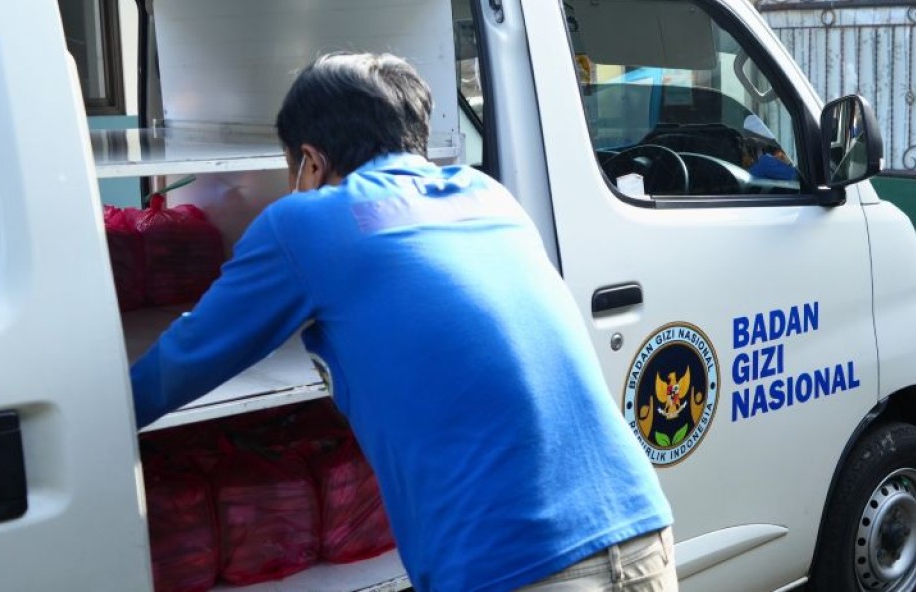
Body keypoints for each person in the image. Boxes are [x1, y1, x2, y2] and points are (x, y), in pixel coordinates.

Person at [129, 52, 677, 592]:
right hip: (640, 529)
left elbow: (183, 361)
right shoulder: (488, 196)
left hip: (517, 564)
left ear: (310, 161)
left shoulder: (305, 222)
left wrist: (82, 432)